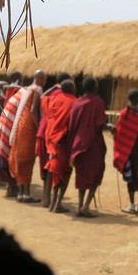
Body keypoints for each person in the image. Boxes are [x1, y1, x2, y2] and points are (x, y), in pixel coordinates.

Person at [66, 75, 111, 218]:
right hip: (93, 144)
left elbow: (72, 125)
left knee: (82, 176)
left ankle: (79, 205)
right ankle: (86, 205)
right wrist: (110, 127)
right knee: (96, 174)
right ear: (95, 87)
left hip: (78, 145)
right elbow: (100, 123)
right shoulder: (98, 102)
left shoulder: (77, 103)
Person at [7, 70, 47, 203]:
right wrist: (39, 128)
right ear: (41, 79)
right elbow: (33, 110)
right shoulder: (37, 90)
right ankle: (26, 194)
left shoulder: (26, 89)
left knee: (21, 158)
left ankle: (22, 193)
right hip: (28, 127)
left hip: (21, 126)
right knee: (28, 160)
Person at [112, 88, 138, 215]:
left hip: (128, 150)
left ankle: (132, 205)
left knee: (130, 176)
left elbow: (119, 133)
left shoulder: (124, 113)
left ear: (128, 99)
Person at [35, 71, 71, 206]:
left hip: (43, 133)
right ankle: (48, 200)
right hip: (52, 136)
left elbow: (42, 99)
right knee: (52, 167)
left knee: (47, 168)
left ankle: (46, 198)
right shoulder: (64, 96)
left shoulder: (51, 93)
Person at [44, 78, 78, 213]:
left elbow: (42, 98)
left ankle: (52, 202)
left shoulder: (53, 100)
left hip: (52, 142)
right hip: (66, 142)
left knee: (55, 170)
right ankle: (58, 203)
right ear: (72, 89)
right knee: (66, 172)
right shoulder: (75, 102)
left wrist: (53, 88)